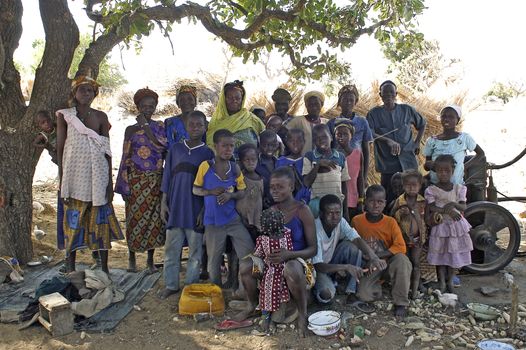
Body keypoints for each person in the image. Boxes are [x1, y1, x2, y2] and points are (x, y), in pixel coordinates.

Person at [235, 167, 317, 337]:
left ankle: (302, 313)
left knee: (291, 268)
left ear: (292, 187)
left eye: (280, 187)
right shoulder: (271, 212)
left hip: (298, 261)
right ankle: (252, 305)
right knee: (245, 265)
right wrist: (263, 257)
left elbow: (313, 249)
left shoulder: (303, 211)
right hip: (273, 262)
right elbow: (264, 242)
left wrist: (289, 255)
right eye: (272, 187)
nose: (275, 191)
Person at [56, 75, 124, 274]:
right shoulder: (65, 116)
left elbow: (107, 149)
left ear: (95, 94)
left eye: (90, 90)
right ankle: (70, 267)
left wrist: (109, 185)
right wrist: (62, 179)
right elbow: (61, 147)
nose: (86, 93)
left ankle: (103, 268)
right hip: (74, 177)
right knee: (73, 223)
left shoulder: (101, 117)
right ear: (74, 93)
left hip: (98, 177)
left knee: (100, 223)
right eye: (82, 90)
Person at [158, 111, 214, 299]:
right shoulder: (175, 149)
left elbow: (210, 185)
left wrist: (204, 210)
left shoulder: (208, 153)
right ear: (186, 127)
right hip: (174, 208)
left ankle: (190, 286)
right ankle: (171, 285)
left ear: (205, 127)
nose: (195, 128)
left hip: (195, 210)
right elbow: (167, 177)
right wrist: (163, 203)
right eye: (192, 125)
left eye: (199, 125)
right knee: (171, 250)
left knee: (195, 252)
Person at [115, 88, 167, 273]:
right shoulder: (130, 130)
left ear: (155, 107)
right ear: (137, 106)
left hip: (155, 182)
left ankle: (150, 261)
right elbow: (125, 156)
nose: (148, 109)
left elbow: (162, 146)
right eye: (144, 106)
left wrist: (146, 126)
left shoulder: (160, 127)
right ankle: (131, 259)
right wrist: (123, 184)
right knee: (134, 219)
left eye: (151, 106)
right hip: (136, 181)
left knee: (154, 222)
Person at [193, 129, 254, 287]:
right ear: (215, 146)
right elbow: (195, 189)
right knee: (213, 259)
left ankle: (245, 288)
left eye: (231, 146)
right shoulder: (205, 166)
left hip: (232, 219)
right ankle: (216, 292)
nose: (228, 149)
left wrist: (230, 196)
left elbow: (242, 191)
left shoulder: (234, 168)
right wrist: (210, 192)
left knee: (248, 252)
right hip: (213, 221)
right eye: (224, 145)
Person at [312, 194, 386, 304]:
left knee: (352, 247)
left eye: (337, 213)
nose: (334, 217)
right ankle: (318, 288)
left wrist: (374, 258)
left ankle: (351, 290)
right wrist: (346, 267)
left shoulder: (340, 221)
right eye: (330, 213)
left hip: (332, 261)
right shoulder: (315, 229)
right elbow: (318, 266)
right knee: (326, 295)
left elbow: (356, 238)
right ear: (321, 214)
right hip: (319, 269)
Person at [351, 185, 411, 317]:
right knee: (364, 295)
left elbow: (401, 247)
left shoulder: (391, 222)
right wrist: (369, 260)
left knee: (402, 260)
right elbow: (352, 245)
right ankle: (378, 286)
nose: (375, 205)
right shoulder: (357, 221)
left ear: (384, 203)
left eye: (380, 202)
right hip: (369, 268)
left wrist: (376, 256)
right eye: (372, 201)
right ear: (365, 202)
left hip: (388, 264)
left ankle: (401, 302)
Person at [366, 80, 426, 204]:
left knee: (413, 194)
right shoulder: (373, 113)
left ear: (396, 94)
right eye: (385, 93)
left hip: (408, 161)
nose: (388, 95)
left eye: (391, 92)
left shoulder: (407, 110)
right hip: (387, 163)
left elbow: (422, 124)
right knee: (388, 195)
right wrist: (387, 140)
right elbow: (369, 133)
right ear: (380, 95)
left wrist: (417, 142)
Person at [424, 154, 473, 293]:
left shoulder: (459, 188)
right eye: (440, 170)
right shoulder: (432, 190)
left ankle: (450, 281)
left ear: (453, 171)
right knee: (440, 254)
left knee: (453, 254)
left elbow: (464, 207)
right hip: (440, 226)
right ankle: (441, 282)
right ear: (435, 171)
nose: (443, 173)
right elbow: (432, 207)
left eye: (447, 170)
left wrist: (452, 204)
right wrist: (447, 211)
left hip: (456, 226)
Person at [252, 209, 294, 332]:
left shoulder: (263, 240)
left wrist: (256, 271)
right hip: (284, 271)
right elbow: (290, 250)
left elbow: (257, 255)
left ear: (264, 226)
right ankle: (275, 320)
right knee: (281, 295)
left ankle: (266, 318)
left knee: (266, 294)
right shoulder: (287, 234)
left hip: (269, 272)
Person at [423, 104, 485, 185]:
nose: (446, 119)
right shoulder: (432, 140)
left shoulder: (464, 138)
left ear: (457, 120)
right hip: (435, 186)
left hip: (456, 186)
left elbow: (481, 154)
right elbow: (427, 167)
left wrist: (464, 167)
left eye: (451, 117)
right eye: (443, 116)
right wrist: (429, 165)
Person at [390, 170, 427, 299]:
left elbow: (426, 219)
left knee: (416, 263)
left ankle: (415, 291)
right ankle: (404, 288)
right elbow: (390, 217)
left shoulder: (422, 202)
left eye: (414, 185)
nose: (411, 188)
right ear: (403, 185)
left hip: (418, 239)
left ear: (420, 186)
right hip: (403, 239)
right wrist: (400, 213)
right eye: (408, 185)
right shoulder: (399, 201)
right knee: (407, 263)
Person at [303, 124, 350, 219]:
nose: (321, 140)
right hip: (316, 205)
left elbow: (344, 186)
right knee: (316, 232)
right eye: (317, 138)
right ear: (313, 142)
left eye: (324, 136)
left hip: (336, 205)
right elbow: (306, 182)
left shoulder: (340, 157)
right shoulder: (309, 156)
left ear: (331, 137)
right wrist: (318, 165)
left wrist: (345, 211)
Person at [327, 85, 372, 185]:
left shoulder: (362, 122)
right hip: (337, 166)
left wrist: (364, 177)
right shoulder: (331, 123)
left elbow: (366, 149)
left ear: (355, 102)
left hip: (356, 167)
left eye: (351, 100)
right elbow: (328, 148)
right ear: (339, 102)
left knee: (354, 194)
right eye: (345, 100)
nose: (348, 102)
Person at [206, 80, 265, 152]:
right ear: (223, 100)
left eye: (238, 98)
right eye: (230, 98)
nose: (234, 101)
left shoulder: (252, 120)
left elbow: (267, 139)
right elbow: (210, 145)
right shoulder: (216, 122)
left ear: (242, 99)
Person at [333, 118, 364, 220]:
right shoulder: (332, 156)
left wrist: (361, 199)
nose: (341, 137)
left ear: (351, 135)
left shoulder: (358, 154)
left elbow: (360, 178)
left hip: (353, 201)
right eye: (338, 134)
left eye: (345, 134)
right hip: (336, 201)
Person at [236, 143, 264, 241]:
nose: (251, 163)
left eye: (253, 159)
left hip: (256, 219)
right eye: (247, 160)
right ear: (241, 161)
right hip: (241, 218)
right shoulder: (240, 177)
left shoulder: (261, 178)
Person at [286, 91, 328, 155]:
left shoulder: (327, 122)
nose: (313, 107)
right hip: (303, 161)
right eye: (310, 105)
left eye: (316, 104)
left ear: (321, 104)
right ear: (306, 106)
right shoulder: (297, 121)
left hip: (323, 161)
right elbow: (285, 135)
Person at [276, 128, 310, 204]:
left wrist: (304, 199)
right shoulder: (280, 161)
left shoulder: (306, 161)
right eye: (292, 141)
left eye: (299, 141)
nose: (295, 144)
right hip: (284, 202)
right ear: (287, 142)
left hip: (303, 202)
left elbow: (309, 184)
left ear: (304, 142)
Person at [256, 130, 279, 208]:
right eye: (265, 145)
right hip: (261, 206)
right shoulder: (255, 164)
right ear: (259, 145)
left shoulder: (280, 163)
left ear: (277, 145)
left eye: (273, 145)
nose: (269, 148)